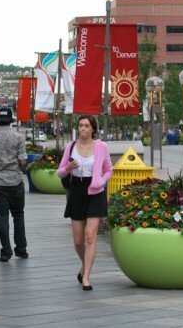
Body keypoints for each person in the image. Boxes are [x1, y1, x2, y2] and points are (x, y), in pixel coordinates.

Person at [58, 115, 113, 291]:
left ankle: (87, 277)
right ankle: (84, 265)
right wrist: (67, 169)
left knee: (90, 235)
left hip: (95, 191)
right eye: (80, 125)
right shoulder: (71, 146)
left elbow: (108, 169)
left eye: (86, 126)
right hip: (77, 192)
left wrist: (100, 182)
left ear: (92, 129)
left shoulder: (101, 146)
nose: (82, 129)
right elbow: (60, 172)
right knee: (78, 240)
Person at [0, 107, 28, 262]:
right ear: (11, 121)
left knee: (2, 217)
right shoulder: (19, 137)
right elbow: (23, 160)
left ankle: (6, 252)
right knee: (18, 215)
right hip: (16, 183)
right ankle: (21, 249)